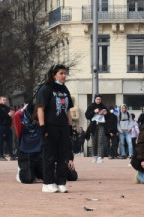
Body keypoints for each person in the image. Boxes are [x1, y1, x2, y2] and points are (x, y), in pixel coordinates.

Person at [36, 64, 75, 193]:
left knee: (63, 155)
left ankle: (61, 181)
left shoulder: (65, 90)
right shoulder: (46, 89)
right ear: (54, 75)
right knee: (49, 155)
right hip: (50, 125)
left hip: (63, 127)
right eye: (61, 73)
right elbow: (40, 109)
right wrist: (43, 127)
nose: (64, 76)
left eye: (65, 73)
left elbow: (68, 110)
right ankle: (47, 183)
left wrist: (70, 127)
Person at [84, 95, 109, 163]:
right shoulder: (91, 106)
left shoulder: (104, 106)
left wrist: (106, 113)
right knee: (94, 142)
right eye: (97, 99)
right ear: (95, 99)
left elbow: (108, 117)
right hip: (93, 126)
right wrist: (94, 111)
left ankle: (100, 157)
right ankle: (95, 156)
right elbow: (87, 116)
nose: (98, 100)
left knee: (100, 141)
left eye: (99, 99)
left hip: (101, 125)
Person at [0, 96, 14, 161]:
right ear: (0, 100)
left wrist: (11, 117)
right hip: (0, 126)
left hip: (7, 126)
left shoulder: (7, 108)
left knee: (10, 141)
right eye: (3, 100)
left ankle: (11, 155)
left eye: (5, 100)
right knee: (1, 141)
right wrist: (8, 115)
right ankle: (1, 156)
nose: (4, 101)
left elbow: (10, 116)